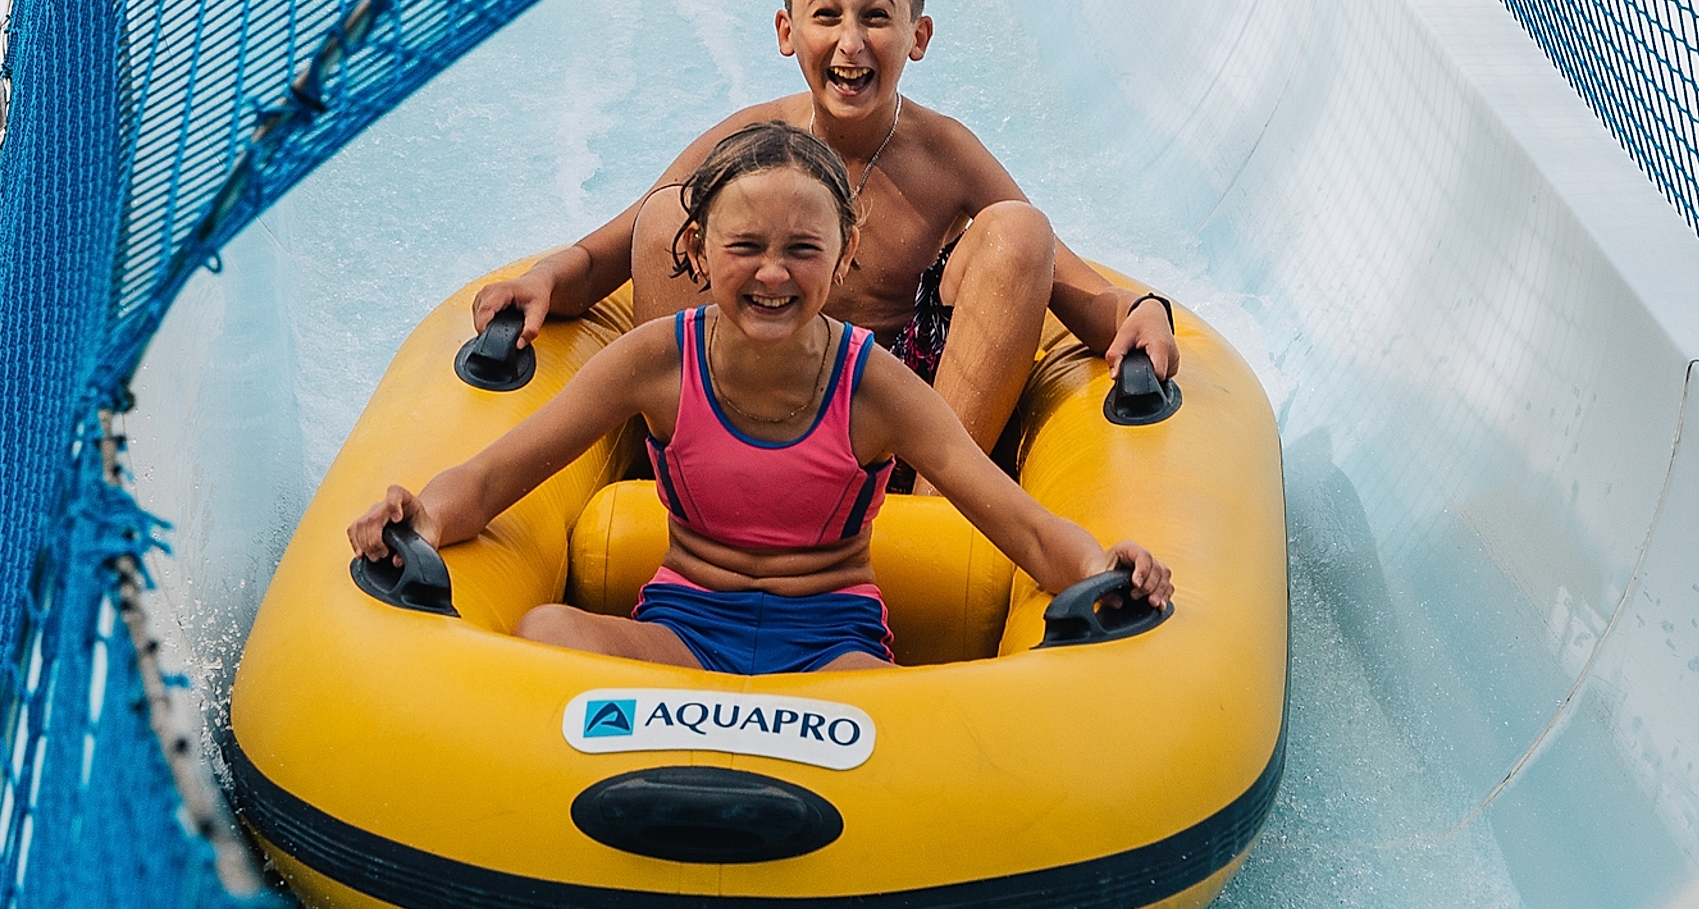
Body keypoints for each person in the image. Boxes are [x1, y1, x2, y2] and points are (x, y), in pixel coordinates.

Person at [351, 123, 1170, 677]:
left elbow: (1016, 520)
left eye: (801, 249)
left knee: (901, 711)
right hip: (681, 632)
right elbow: (496, 476)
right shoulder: (655, 362)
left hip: (832, 646)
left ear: (844, 256)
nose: (772, 273)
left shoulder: (871, 385)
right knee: (543, 634)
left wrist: (1104, 566)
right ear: (697, 252)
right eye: (744, 247)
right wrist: (418, 520)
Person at [467, 0, 1179, 471]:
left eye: (875, 17)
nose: (850, 43)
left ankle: (937, 519)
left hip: (896, 425)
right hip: (748, 414)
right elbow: (611, 254)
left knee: (1021, 229)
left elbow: (1072, 287)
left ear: (917, 36)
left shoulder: (943, 154)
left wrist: (1143, 312)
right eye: (826, 16)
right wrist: (541, 279)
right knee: (668, 215)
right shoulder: (751, 139)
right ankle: (684, 482)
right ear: (787, 32)